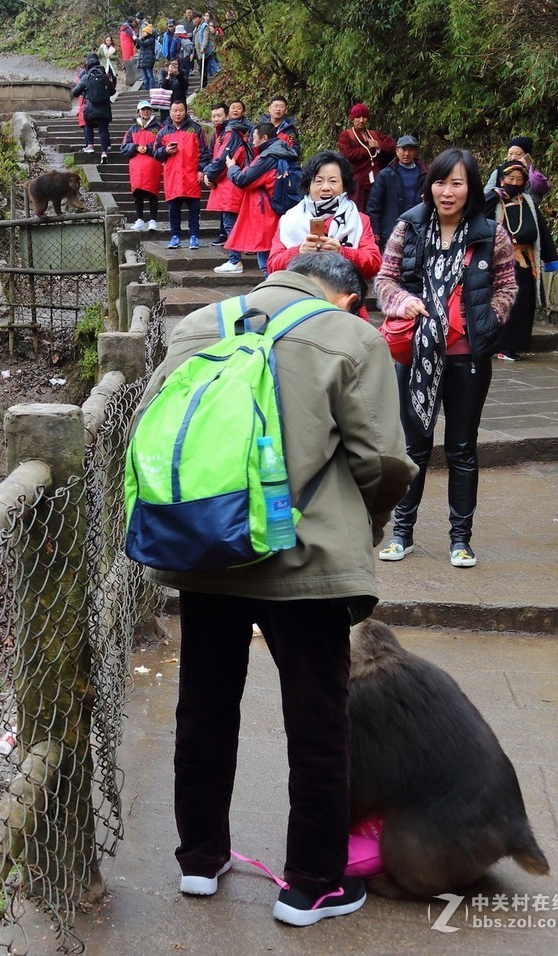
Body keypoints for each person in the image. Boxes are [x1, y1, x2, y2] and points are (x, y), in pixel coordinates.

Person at [136, 250, 415, 926]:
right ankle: (311, 885)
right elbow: (380, 460)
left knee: (203, 707)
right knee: (317, 721)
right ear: (346, 296)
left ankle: (200, 861)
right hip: (306, 557)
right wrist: (364, 527)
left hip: (208, 548)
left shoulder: (202, 324)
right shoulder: (350, 336)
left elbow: (150, 422)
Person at [374, 148, 517, 568]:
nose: (447, 191)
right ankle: (402, 533)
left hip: (467, 357)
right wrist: (403, 301)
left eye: (457, 183)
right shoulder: (410, 226)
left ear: (471, 187)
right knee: (413, 448)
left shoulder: (492, 233)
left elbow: (506, 285)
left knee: (462, 448)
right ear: (429, 184)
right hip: (416, 355)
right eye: (440, 181)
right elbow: (386, 277)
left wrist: (488, 323)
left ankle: (461, 539)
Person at [267, 149, 381, 307]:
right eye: (319, 181)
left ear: (344, 185)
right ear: (308, 185)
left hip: (344, 307)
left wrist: (342, 252)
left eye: (333, 181)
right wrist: (298, 252)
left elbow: (374, 264)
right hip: (297, 304)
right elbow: (272, 266)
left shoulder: (358, 220)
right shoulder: (290, 220)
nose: (325, 187)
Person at [484, 159, 558, 361]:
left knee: (522, 304)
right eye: (511, 178)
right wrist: (494, 195)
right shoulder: (494, 201)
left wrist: (551, 259)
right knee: (501, 302)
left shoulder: (528, 203)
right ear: (501, 179)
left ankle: (513, 345)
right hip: (499, 263)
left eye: (519, 179)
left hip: (525, 262)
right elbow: (475, 214)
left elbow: (541, 231)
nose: (515, 183)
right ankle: (497, 345)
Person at [222, 122, 297, 273]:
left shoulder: (267, 157)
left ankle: (272, 293)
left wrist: (232, 167)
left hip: (267, 212)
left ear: (264, 138)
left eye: (254, 138)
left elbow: (243, 180)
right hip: (282, 208)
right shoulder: (285, 151)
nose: (252, 141)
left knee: (266, 262)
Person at [153, 101, 211, 250]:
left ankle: (194, 236)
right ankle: (175, 236)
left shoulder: (195, 129)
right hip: (172, 177)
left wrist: (201, 169)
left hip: (191, 176)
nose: (178, 114)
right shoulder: (163, 132)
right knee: (173, 210)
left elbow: (204, 152)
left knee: (194, 209)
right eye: (175, 111)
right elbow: (155, 153)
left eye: (181, 110)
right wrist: (165, 151)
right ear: (170, 112)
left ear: (185, 111)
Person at [366, 135, 426, 250]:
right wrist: (375, 230)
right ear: (397, 151)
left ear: (416, 152)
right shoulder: (386, 175)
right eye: (403, 149)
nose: (407, 153)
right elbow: (374, 205)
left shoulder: (424, 174)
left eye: (411, 150)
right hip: (391, 229)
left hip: (417, 228)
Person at [336, 103, 395, 210]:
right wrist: (368, 149)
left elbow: (394, 147)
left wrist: (379, 145)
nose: (361, 120)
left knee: (378, 208)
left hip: (377, 179)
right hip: (357, 181)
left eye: (364, 117)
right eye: (358, 117)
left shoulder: (374, 134)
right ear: (352, 119)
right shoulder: (346, 135)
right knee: (358, 209)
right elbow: (348, 154)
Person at [203, 103, 245, 247]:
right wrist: (207, 172)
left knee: (230, 224)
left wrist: (209, 175)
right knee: (229, 223)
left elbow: (222, 160)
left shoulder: (230, 133)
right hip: (226, 183)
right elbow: (213, 157)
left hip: (231, 183)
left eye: (219, 115)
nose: (216, 119)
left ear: (227, 116)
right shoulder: (221, 133)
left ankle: (235, 260)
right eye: (213, 116)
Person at [122, 99, 163, 231]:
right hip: (136, 166)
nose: (146, 111)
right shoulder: (132, 129)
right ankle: (139, 219)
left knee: (153, 193)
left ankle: (152, 220)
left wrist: (149, 148)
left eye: (148, 109)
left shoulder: (158, 128)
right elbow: (124, 147)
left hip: (152, 165)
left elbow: (161, 144)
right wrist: (135, 147)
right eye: (143, 109)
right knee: (137, 193)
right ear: (138, 112)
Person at [71, 53, 117, 162]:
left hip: (90, 107)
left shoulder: (86, 77)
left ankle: (90, 146)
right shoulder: (105, 76)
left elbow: (75, 92)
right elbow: (113, 91)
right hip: (104, 108)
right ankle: (104, 152)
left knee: (88, 125)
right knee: (103, 130)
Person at [485, 136, 551, 206]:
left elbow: (536, 201)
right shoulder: (498, 172)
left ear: (527, 156)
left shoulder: (533, 176)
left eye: (518, 154)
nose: (513, 158)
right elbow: (486, 195)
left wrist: (528, 172)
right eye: (510, 154)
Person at [136, 23, 158, 93]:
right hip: (143, 59)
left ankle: (152, 87)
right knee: (145, 75)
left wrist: (137, 39)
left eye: (144, 32)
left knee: (149, 74)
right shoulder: (143, 39)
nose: (143, 33)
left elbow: (144, 44)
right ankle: (146, 87)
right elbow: (138, 46)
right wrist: (139, 39)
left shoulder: (151, 39)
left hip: (148, 59)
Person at [119, 16, 139, 88]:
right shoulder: (129, 29)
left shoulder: (123, 28)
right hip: (128, 46)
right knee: (131, 61)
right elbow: (134, 37)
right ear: (131, 22)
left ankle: (129, 78)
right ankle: (132, 79)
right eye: (134, 22)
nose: (134, 23)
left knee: (127, 61)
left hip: (124, 46)